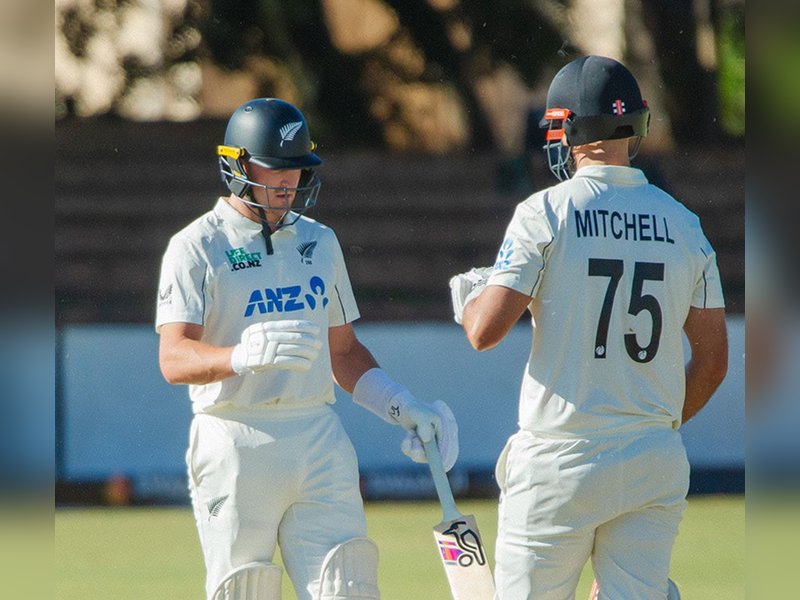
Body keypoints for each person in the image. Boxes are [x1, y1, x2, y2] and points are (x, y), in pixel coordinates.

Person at [156, 98, 458, 600]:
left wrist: (402, 405)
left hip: (318, 437)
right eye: (274, 169)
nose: (287, 183)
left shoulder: (320, 241)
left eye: (296, 170)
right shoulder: (196, 246)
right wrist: (237, 356)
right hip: (236, 436)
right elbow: (173, 358)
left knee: (350, 588)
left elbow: (343, 352)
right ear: (236, 164)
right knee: (244, 590)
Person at [449, 56, 728, 599]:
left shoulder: (544, 212)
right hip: (652, 458)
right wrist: (648, 424)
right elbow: (714, 364)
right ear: (636, 126)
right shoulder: (685, 225)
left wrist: (470, 297)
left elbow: (484, 332)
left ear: (568, 127)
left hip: (560, 461)